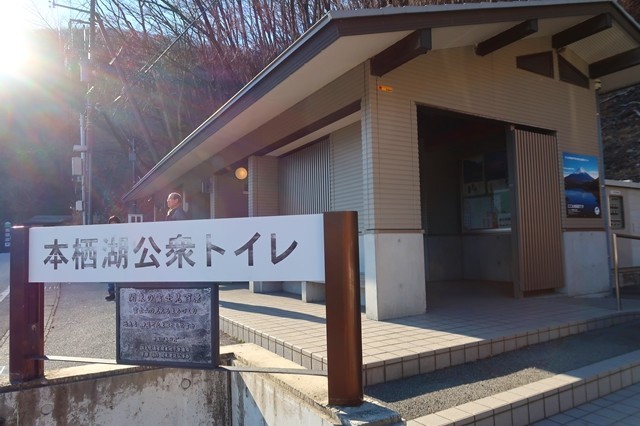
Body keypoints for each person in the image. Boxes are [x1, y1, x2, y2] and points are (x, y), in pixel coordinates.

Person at [105, 215, 121, 301]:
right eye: (111, 224)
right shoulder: (107, 234)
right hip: (110, 257)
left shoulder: (122, 233)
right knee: (110, 276)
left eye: (115, 224)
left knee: (120, 276)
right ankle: (111, 293)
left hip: (121, 257)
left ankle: (119, 292)